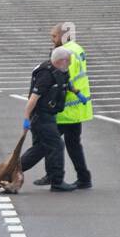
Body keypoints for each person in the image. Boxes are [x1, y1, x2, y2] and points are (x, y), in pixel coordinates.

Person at [35, 24, 93, 189]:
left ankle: (20, 170)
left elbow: (63, 79)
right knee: (73, 144)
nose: (52, 40)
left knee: (46, 144)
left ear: (63, 36)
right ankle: (83, 178)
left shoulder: (65, 55)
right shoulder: (76, 48)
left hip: (66, 108)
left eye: (54, 37)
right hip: (77, 108)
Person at [19, 47, 77, 192]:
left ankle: (12, 171)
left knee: (41, 148)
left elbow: (64, 83)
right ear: (61, 61)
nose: (70, 64)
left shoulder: (60, 70)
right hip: (41, 117)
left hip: (47, 115)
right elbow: (33, 99)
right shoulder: (46, 75)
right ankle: (57, 182)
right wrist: (26, 119)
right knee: (57, 145)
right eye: (68, 61)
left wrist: (75, 91)